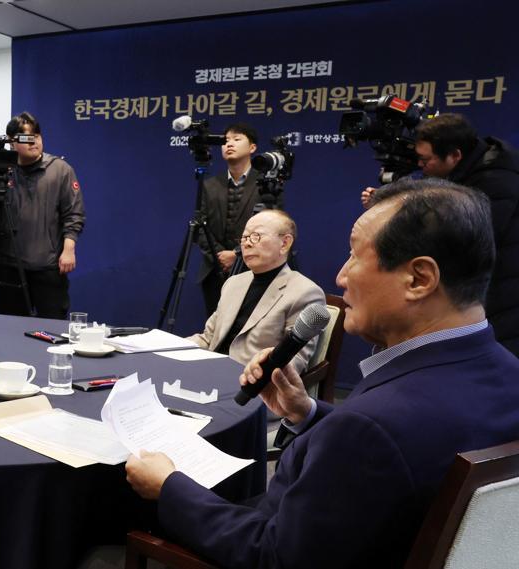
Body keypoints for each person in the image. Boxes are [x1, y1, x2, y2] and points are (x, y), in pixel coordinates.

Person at [126, 178, 519, 569]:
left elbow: (274, 556)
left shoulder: (370, 427)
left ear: (418, 279)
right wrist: (308, 412)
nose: (341, 276)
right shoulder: (505, 372)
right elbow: (398, 453)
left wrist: (169, 487)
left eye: (355, 256)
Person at [413, 114, 519, 356]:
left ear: (455, 156)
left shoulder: (495, 180)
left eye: (425, 160)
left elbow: (469, 240)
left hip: (504, 298)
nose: (420, 165)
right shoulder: (477, 168)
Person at [187, 210, 324, 373]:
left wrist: (258, 372)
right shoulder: (233, 283)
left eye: (256, 236)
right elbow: (208, 339)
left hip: (250, 380)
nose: (247, 244)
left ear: (285, 243)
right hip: (208, 371)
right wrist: (168, 346)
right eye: (244, 237)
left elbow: (294, 360)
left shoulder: (305, 293)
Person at [0, 111, 85, 319]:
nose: (33, 142)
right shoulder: (2, 172)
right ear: (12, 142)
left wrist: (69, 249)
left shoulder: (60, 170)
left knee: (51, 326)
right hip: (9, 267)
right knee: (9, 328)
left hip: (48, 266)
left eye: (36, 136)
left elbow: (74, 213)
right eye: (26, 138)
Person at [196, 123, 264, 315]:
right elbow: (200, 227)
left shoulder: (265, 184)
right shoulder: (210, 185)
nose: (229, 144)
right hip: (215, 271)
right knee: (215, 325)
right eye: (226, 141)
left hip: (252, 270)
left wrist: (236, 254)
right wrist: (219, 256)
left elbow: (271, 227)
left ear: (252, 147)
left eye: (237, 139)